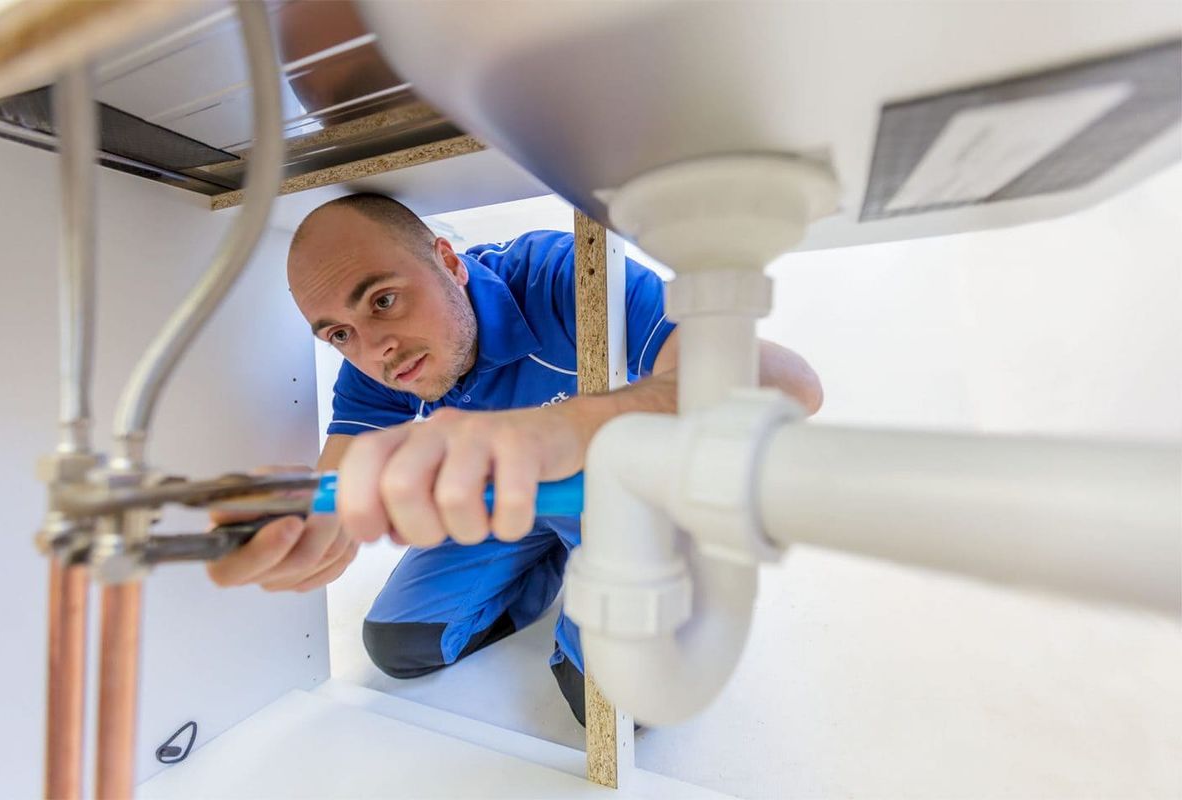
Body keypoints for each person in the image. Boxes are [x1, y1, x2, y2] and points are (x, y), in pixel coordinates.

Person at [207, 193, 823, 725]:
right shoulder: (380, 365)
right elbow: (333, 494)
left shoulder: (562, 275)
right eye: (338, 334)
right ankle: (551, 563)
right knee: (400, 644)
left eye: (384, 300)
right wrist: (300, 528)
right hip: (515, 506)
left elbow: (792, 385)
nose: (374, 348)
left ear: (449, 262)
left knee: (616, 704)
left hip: (621, 509)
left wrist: (565, 428)